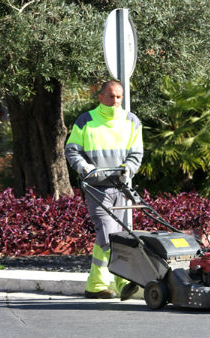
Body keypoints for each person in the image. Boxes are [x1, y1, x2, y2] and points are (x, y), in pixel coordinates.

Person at [65, 80, 143, 300]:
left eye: (119, 97)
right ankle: (124, 281)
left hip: (121, 187)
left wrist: (128, 169)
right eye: (110, 96)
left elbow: (136, 154)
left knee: (114, 235)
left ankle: (96, 285)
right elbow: (72, 150)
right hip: (96, 188)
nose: (115, 101)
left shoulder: (132, 121)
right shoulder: (86, 121)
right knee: (108, 235)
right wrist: (84, 168)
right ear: (100, 98)